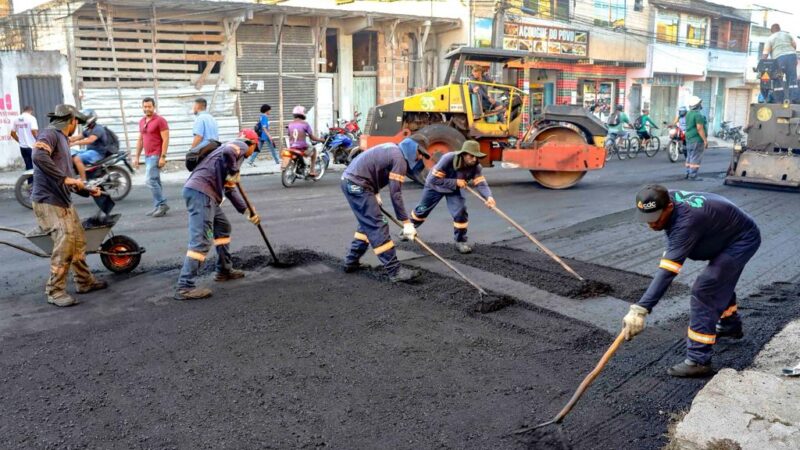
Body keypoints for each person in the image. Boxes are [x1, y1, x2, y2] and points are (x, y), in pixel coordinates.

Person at [623, 185, 761, 377]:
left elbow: (668, 272)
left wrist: (640, 309)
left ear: (669, 207)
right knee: (718, 281)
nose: (651, 225)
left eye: (655, 219)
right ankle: (730, 324)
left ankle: (698, 360)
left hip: (741, 239)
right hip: (722, 233)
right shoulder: (662, 198)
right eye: (647, 219)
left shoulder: (687, 221)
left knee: (705, 289)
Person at [31, 104, 107, 307]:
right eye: (77, 122)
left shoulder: (63, 140)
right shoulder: (50, 134)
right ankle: (55, 291)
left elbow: (69, 181)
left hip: (63, 201)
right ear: (71, 120)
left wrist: (86, 190)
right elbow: (38, 156)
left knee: (78, 241)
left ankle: (84, 282)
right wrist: (65, 179)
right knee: (65, 244)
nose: (77, 126)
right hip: (48, 201)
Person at [175, 129, 261, 300]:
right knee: (201, 241)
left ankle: (223, 270)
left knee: (222, 227)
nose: (252, 154)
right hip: (202, 194)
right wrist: (235, 171)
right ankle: (184, 287)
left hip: (204, 194)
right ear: (253, 143)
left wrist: (247, 211)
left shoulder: (226, 156)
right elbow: (230, 151)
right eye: (255, 150)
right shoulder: (241, 145)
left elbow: (229, 189)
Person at [341, 134, 430, 283]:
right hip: (357, 184)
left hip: (355, 181)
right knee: (377, 224)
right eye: (420, 153)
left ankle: (351, 262)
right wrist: (407, 223)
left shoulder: (393, 150)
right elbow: (395, 194)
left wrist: (375, 192)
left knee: (367, 223)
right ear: (412, 147)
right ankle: (394, 271)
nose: (420, 157)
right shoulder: (399, 159)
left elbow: (373, 168)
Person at [410, 140, 496, 254]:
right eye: (471, 156)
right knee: (422, 209)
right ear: (464, 154)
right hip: (435, 186)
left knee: (460, 212)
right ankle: (408, 228)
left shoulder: (476, 166)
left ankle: (460, 241)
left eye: (476, 156)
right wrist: (455, 182)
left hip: (454, 190)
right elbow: (433, 179)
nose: (474, 159)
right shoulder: (448, 158)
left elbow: (481, 183)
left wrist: (488, 197)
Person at [134, 97, 170, 217]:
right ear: (142, 107)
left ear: (154, 107)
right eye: (145, 106)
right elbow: (140, 140)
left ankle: (162, 204)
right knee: (156, 181)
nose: (147, 109)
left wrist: (163, 157)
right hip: (148, 155)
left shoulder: (160, 120)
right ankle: (157, 207)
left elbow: (166, 139)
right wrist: (137, 157)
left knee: (150, 180)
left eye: (149, 106)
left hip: (156, 155)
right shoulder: (142, 121)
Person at [68, 109, 113, 180]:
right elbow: (76, 137)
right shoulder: (89, 129)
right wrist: (63, 139)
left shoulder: (98, 129)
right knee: (69, 153)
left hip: (98, 153)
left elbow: (90, 140)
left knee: (77, 158)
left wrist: (74, 143)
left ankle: (83, 180)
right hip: (89, 151)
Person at [762, 23, 798, 99]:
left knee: (777, 77)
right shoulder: (787, 35)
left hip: (779, 58)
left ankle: (779, 99)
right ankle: (794, 98)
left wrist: (762, 64)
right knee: (792, 78)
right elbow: (794, 46)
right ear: (779, 29)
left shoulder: (770, 38)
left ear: (772, 31)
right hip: (792, 56)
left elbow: (765, 54)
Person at [287, 106, 324, 177]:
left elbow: (289, 134)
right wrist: (321, 139)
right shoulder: (305, 124)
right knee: (314, 150)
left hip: (292, 146)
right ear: (302, 114)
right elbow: (312, 138)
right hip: (302, 146)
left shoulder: (290, 124)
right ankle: (312, 171)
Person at [10, 105, 38, 180]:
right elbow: (34, 131)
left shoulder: (16, 119)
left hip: (22, 147)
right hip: (32, 147)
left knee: (28, 167)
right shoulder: (32, 118)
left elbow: (12, 133)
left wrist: (19, 141)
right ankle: (36, 186)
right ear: (31, 111)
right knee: (36, 167)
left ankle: (30, 185)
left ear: (23, 110)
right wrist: (39, 140)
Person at [683, 96, 708, 180]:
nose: (701, 104)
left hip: (689, 138)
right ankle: (693, 175)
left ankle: (688, 173)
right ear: (697, 105)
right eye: (700, 103)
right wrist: (705, 140)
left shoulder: (688, 113)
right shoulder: (698, 115)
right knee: (695, 157)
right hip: (697, 139)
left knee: (689, 156)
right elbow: (699, 128)